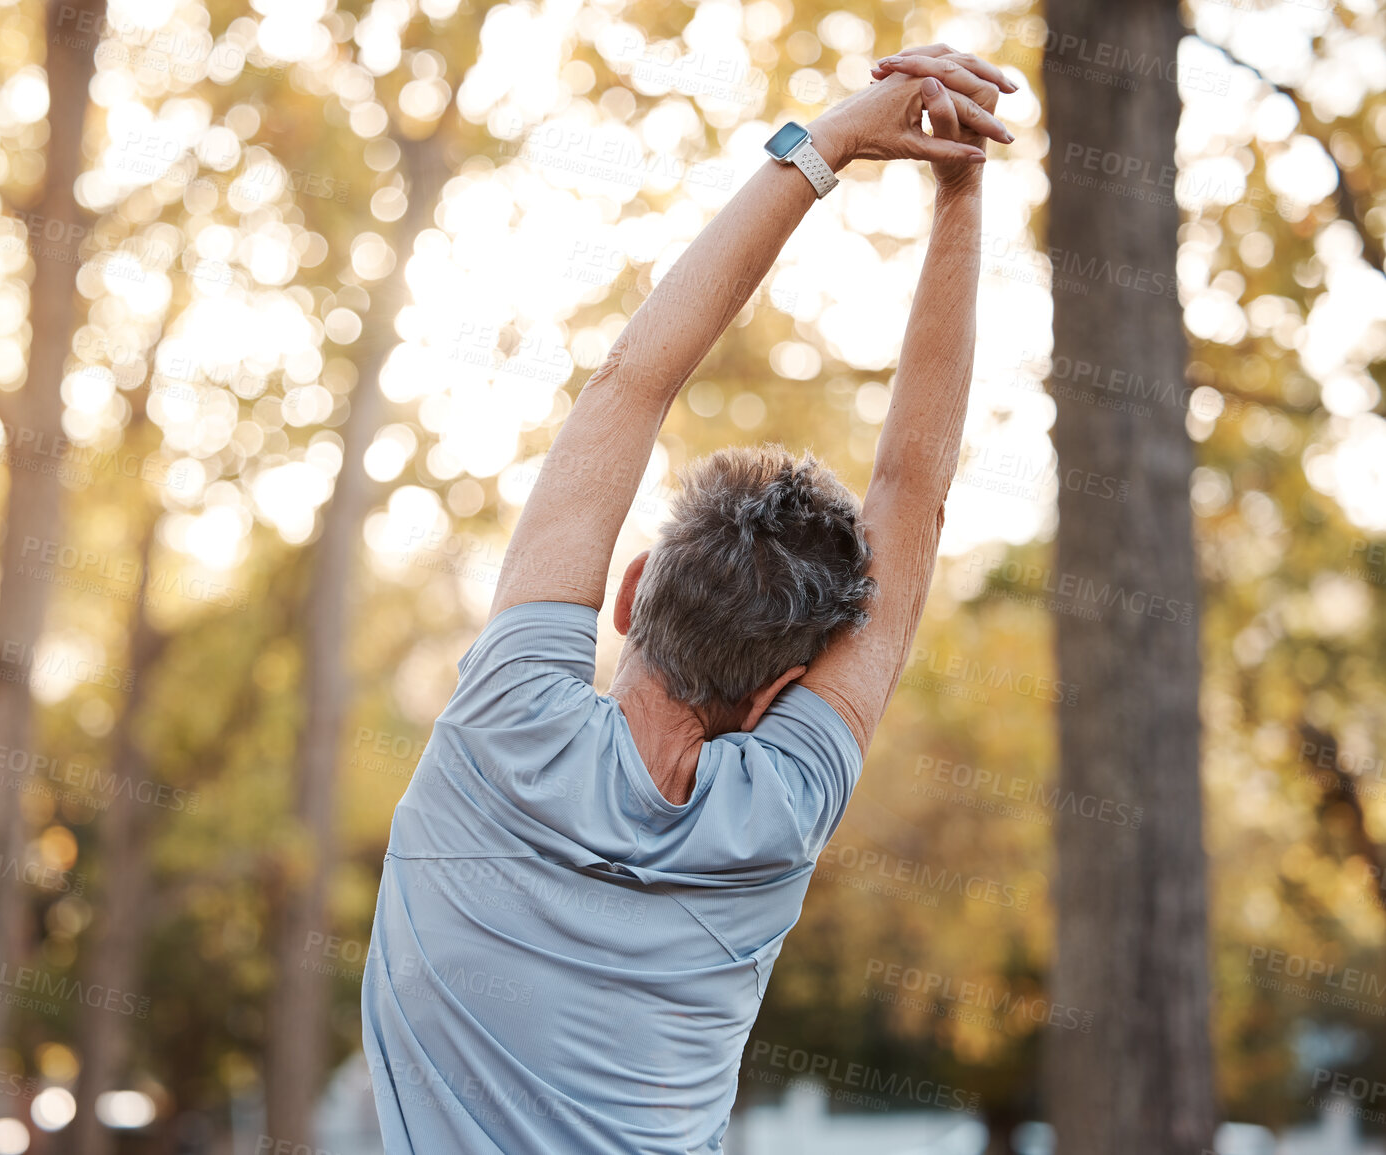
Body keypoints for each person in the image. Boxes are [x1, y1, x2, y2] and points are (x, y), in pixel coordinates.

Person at [360, 45, 1016, 1155]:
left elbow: (633, 382)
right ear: (778, 695)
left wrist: (831, 143)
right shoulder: (779, 808)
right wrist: (962, 191)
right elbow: (917, 492)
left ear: (625, 596)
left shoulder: (505, 718)